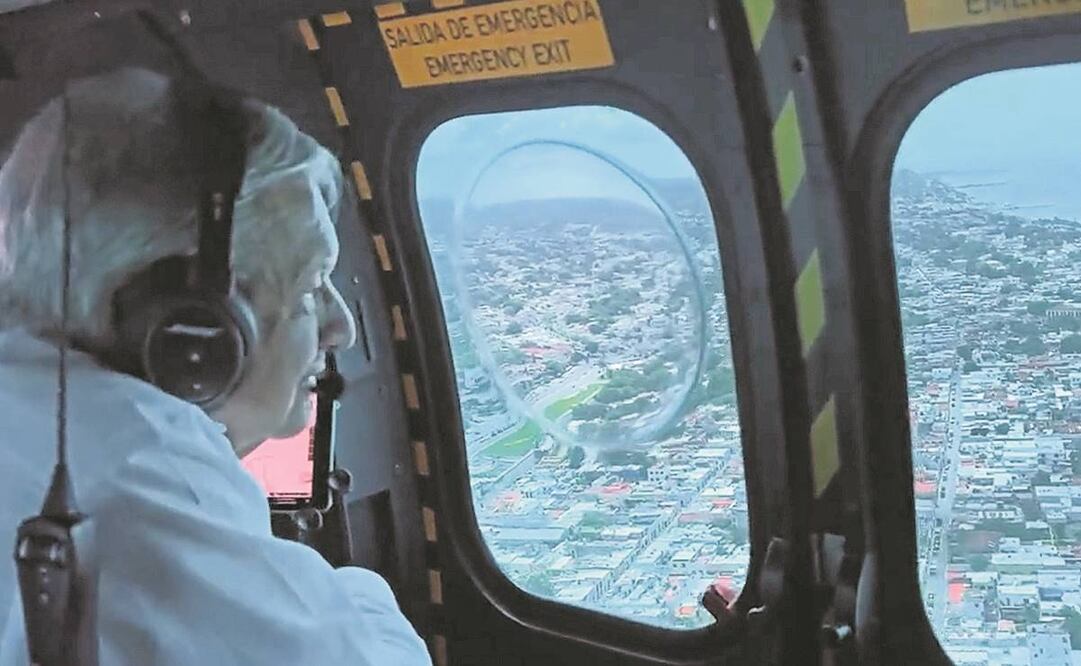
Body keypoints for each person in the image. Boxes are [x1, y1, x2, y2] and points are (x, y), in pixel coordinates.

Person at [0, 67, 432, 665]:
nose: (342, 327)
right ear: (193, 338)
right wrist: (355, 591)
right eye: (309, 289)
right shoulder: (144, 473)